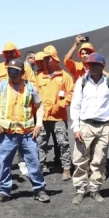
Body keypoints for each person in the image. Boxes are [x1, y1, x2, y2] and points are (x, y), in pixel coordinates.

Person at [0, 59, 50, 203]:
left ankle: (39, 189)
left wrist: (39, 124)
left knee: (34, 162)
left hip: (27, 133)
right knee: (4, 163)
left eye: (14, 71)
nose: (11, 74)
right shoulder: (1, 86)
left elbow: (39, 106)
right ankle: (3, 191)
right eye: (9, 70)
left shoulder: (31, 88)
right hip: (6, 134)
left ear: (22, 73)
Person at [69, 53, 109, 204]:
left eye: (94, 65)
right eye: (89, 65)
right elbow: (75, 105)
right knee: (80, 159)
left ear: (102, 66)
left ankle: (94, 189)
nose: (90, 67)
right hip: (85, 125)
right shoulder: (82, 82)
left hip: (105, 125)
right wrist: (76, 127)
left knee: (99, 159)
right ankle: (79, 190)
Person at [35, 45, 74, 180]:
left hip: (59, 118)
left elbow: (71, 93)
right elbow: (35, 94)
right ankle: (40, 166)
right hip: (43, 117)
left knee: (63, 143)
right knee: (40, 142)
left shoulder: (65, 76)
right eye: (45, 58)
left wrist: (60, 105)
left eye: (48, 58)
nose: (45, 61)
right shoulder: (40, 76)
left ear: (54, 59)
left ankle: (66, 169)